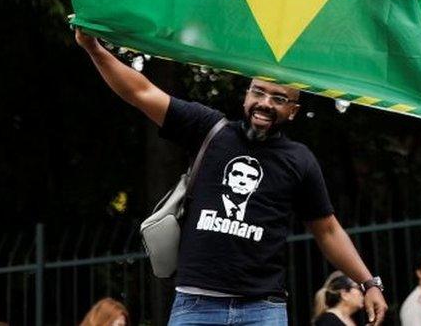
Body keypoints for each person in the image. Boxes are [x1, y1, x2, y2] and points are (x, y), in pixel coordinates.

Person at [76, 29, 387, 325]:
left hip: (263, 309)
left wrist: (369, 282)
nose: (265, 102)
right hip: (195, 304)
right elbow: (141, 92)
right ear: (246, 96)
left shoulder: (300, 160)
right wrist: (93, 48)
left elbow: (328, 231)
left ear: (293, 111)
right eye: (259, 92)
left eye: (279, 98)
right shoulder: (209, 129)